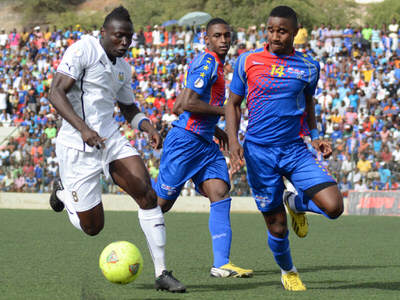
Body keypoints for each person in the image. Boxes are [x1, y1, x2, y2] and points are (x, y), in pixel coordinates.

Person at [48, 6, 185, 293]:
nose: (124, 42)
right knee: (92, 228)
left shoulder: (123, 67)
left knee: (147, 194)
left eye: (129, 38)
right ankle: (62, 192)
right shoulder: (83, 50)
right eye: (118, 36)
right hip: (76, 145)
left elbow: (128, 106)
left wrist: (146, 126)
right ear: (104, 34)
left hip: (109, 139)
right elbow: (55, 92)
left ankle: (162, 272)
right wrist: (83, 129)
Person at [225, 6, 343, 291]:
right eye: (271, 30)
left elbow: (309, 102)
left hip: (294, 150)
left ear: (295, 32)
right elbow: (232, 104)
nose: (275, 36)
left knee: (334, 206)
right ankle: (288, 271)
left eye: (282, 31)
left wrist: (315, 136)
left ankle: (295, 203)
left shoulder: (309, 66)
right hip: (258, 154)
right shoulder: (248, 61)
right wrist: (233, 142)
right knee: (276, 226)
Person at [155, 18, 253, 278]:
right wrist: (225, 111)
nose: (223, 41)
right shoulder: (207, 61)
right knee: (158, 204)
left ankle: (221, 263)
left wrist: (216, 128)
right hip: (186, 142)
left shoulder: (215, 65)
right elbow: (187, 104)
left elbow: (178, 105)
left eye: (227, 36)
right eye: (217, 36)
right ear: (206, 39)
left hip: (205, 142)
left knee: (219, 191)